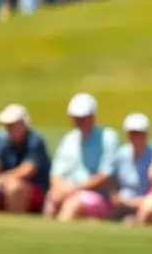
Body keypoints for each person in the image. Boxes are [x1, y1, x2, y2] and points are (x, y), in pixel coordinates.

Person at [44, 92, 120, 221]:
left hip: (97, 196)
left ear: (92, 117)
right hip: (69, 190)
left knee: (73, 205)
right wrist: (59, 189)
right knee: (51, 199)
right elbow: (56, 172)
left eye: (82, 118)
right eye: (76, 118)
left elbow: (105, 175)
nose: (79, 122)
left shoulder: (108, 137)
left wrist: (74, 188)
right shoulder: (69, 139)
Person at [0, 103, 51, 213]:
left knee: (13, 186)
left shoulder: (35, 141)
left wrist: (2, 178)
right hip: (7, 184)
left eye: (12, 124)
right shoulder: (5, 142)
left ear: (23, 124)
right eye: (7, 125)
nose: (8, 128)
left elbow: (27, 170)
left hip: (37, 191)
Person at [111, 112, 152, 221]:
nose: (135, 137)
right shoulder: (121, 154)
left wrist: (143, 201)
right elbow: (113, 182)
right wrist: (116, 197)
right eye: (132, 133)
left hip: (146, 203)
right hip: (123, 203)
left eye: (139, 133)